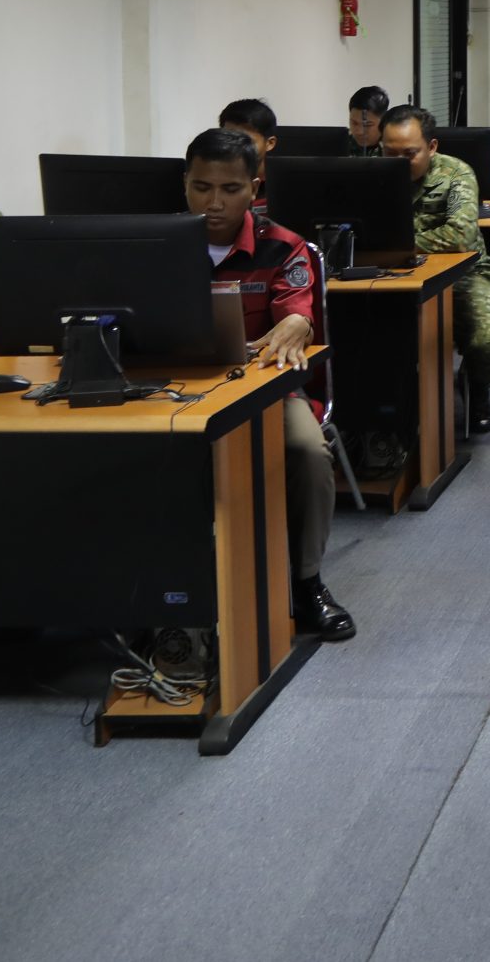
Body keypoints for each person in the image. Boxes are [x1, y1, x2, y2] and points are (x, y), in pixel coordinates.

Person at [181, 128, 353, 643]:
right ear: (185, 184)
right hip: (173, 391)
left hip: (262, 389)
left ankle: (306, 583)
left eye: (230, 189)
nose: (214, 202)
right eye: (201, 187)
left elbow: (297, 313)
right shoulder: (154, 245)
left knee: (308, 451)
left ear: (253, 189)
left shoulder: (283, 245)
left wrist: (298, 322)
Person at [378, 105, 490, 432]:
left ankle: (477, 385)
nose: (399, 162)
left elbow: (460, 236)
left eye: (409, 154)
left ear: (432, 147)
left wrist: (395, 245)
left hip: (463, 275)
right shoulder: (370, 174)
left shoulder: (456, 173)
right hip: (389, 276)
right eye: (390, 153)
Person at [219, 97, 279, 172]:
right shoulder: (214, 175)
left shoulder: (285, 178)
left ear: (270, 143)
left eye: (246, 141)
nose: (236, 147)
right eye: (229, 139)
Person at [348, 86, 391, 156]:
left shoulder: (393, 146)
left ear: (383, 122)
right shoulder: (341, 144)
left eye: (368, 125)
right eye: (354, 123)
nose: (360, 132)